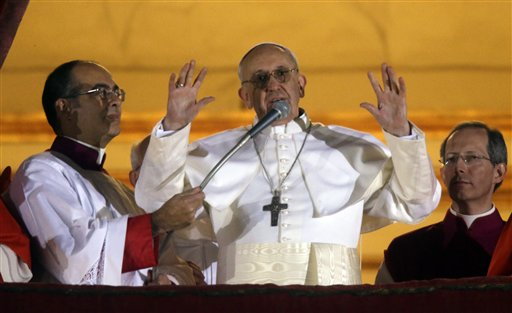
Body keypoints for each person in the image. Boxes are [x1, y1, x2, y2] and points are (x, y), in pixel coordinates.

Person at [135, 43, 442, 285]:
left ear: (301, 83)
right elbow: (156, 202)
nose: (273, 84)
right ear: (244, 94)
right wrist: (174, 127)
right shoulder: (215, 153)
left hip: (332, 301)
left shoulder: (350, 149)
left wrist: (401, 134)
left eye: (282, 74)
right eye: (260, 79)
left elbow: (418, 202)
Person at [8, 60, 206, 286]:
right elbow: (71, 259)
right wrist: (155, 223)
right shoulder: (40, 171)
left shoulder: (121, 190)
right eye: (100, 92)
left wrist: (172, 277)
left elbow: (165, 260)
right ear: (64, 107)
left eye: (116, 92)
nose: (114, 101)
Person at [376, 121, 508, 283]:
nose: (459, 167)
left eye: (472, 157)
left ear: (499, 172)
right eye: (451, 159)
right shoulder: (405, 251)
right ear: (443, 173)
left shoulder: (508, 243)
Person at [129, 136, 218, 284]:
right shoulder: (133, 227)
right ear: (135, 178)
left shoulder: (214, 207)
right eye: (155, 168)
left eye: (176, 167)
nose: (168, 177)